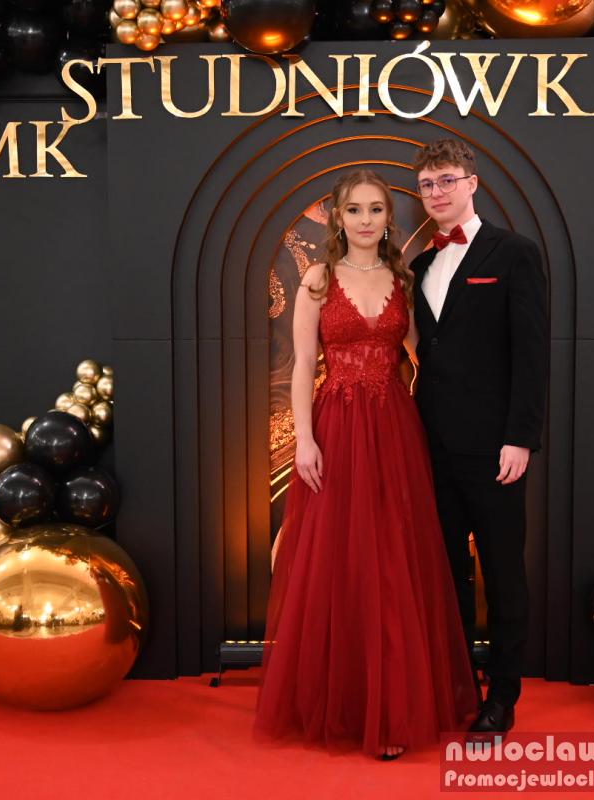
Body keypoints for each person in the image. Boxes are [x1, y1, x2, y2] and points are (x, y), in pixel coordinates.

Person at [254, 169, 478, 760]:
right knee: (341, 561)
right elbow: (303, 365)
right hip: (336, 429)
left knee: (392, 560)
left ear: (388, 218)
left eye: (376, 209)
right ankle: (344, 703)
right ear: (337, 217)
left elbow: (427, 357)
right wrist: (304, 440)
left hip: (396, 431)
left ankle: (393, 707)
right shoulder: (318, 279)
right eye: (354, 209)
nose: (365, 220)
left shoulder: (404, 279)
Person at [409, 138, 549, 737]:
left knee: (503, 573)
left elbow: (531, 353)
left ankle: (503, 697)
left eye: (446, 180)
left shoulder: (514, 253)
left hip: (496, 449)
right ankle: (459, 684)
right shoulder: (420, 266)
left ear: (471, 183)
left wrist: (521, 437)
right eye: (426, 185)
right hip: (432, 447)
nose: (436, 192)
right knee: (447, 576)